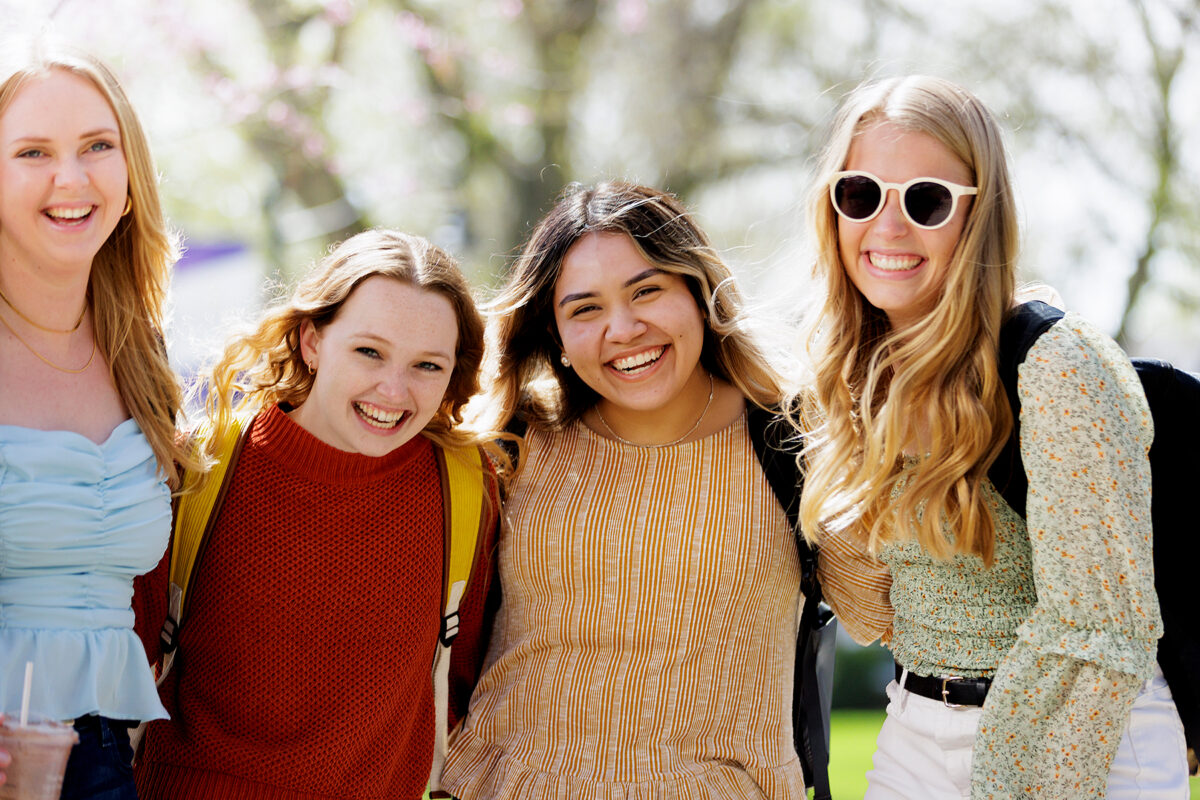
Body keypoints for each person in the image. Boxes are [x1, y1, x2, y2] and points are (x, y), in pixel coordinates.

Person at [796, 74, 1189, 798]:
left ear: (979, 216)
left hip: (1088, 741)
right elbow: (874, 611)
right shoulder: (853, 381)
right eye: (860, 194)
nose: (887, 227)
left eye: (927, 200)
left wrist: (1008, 781)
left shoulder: (1058, 367)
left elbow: (1101, 629)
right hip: (915, 727)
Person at [441, 181, 890, 799]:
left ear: (698, 294)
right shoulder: (516, 442)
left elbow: (873, 614)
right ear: (558, 337)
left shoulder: (791, 438)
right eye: (585, 309)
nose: (623, 328)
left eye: (646, 290)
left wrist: (868, 439)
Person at [131, 228, 502, 799]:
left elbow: (462, 682)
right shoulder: (197, 468)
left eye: (428, 365)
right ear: (311, 341)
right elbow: (123, 665)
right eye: (369, 351)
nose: (393, 389)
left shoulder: (465, 485)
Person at [0, 39, 199, 799]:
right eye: (32, 152)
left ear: (127, 175)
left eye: (96, 146)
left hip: (101, 756)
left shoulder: (142, 360)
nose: (71, 177)